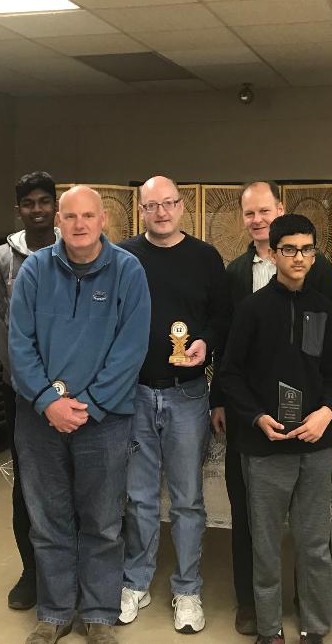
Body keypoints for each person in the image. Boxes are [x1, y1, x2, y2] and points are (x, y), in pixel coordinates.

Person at [9, 185, 151, 644]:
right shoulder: (34, 270)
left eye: (88, 215)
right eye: (70, 216)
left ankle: (99, 614)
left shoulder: (128, 270)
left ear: (104, 219)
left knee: (103, 523)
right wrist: (48, 402)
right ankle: (54, 612)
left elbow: (131, 347)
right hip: (40, 419)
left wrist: (89, 405)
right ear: (58, 221)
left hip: (104, 421)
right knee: (48, 520)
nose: (79, 224)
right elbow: (19, 343)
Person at [211, 181, 332, 635]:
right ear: (275, 253)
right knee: (262, 542)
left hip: (313, 441)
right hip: (263, 442)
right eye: (289, 250)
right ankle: (267, 625)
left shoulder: (325, 306)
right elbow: (229, 369)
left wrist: (328, 414)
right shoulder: (249, 304)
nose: (298, 258)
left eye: (306, 250)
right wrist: (253, 415)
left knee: (315, 542)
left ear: (314, 255)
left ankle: (314, 625)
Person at [117, 176, 231, 634]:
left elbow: (222, 317)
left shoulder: (205, 257)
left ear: (182, 207)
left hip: (187, 393)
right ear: (140, 210)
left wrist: (205, 342)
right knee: (139, 496)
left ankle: (187, 589)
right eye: (152, 205)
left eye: (168, 203)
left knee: (187, 499)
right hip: (135, 392)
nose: (161, 212)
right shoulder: (123, 257)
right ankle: (135, 581)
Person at [0, 171, 60, 611]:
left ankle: (73, 570)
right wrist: (31, 387)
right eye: (29, 203)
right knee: (27, 483)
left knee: (75, 481)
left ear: (56, 206)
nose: (37, 209)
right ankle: (32, 571)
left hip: (74, 394)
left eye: (44, 201)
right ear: (19, 210)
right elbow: (0, 328)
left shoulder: (76, 247)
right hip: (22, 394)